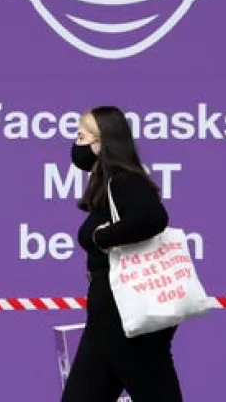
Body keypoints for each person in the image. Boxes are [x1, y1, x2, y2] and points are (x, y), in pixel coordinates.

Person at [60, 105, 184, 402]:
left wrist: (103, 236)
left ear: (100, 143)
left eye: (80, 136)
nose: (75, 145)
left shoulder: (124, 180)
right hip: (106, 316)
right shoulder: (108, 184)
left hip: (128, 316)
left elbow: (153, 217)